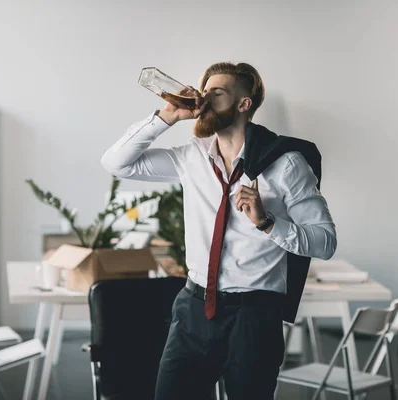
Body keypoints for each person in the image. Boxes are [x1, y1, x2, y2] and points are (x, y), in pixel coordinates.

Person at [101, 62, 337, 400]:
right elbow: (116, 163)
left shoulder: (285, 165)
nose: (205, 99)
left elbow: (326, 242)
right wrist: (166, 116)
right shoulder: (191, 157)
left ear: (244, 104)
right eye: (205, 90)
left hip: (254, 318)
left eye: (217, 92)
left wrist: (267, 223)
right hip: (192, 310)